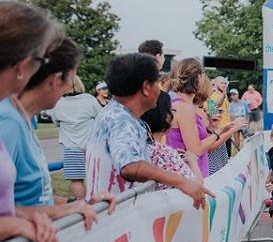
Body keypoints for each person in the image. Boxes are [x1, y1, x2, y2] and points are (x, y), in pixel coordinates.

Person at [0, 37, 108, 224]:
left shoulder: (21, 118)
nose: (70, 88)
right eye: (71, 79)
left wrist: (74, 203)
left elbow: (31, 199)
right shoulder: (8, 122)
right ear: (57, 79)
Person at [85, 53, 211, 204]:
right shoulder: (121, 119)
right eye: (156, 82)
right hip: (116, 216)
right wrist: (181, 181)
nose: (160, 89)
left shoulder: (120, 115)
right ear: (146, 87)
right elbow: (129, 166)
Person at [0, 0, 62, 242]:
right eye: (41, 60)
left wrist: (28, 216)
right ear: (24, 64)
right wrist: (13, 224)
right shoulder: (7, 120)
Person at [167, 59, 241, 178]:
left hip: (194, 176)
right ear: (196, 78)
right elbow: (196, 150)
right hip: (190, 178)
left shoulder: (183, 105)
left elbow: (203, 148)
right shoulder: (185, 108)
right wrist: (218, 132)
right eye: (203, 75)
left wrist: (214, 129)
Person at [49, 74, 101, 200]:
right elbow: (100, 117)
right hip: (91, 146)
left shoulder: (58, 103)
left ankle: (82, 203)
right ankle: (98, 202)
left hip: (71, 147)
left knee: (76, 180)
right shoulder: (89, 100)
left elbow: (55, 121)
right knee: (96, 176)